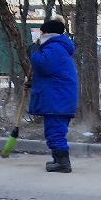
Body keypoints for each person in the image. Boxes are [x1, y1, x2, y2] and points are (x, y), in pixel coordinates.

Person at [28, 17, 78, 174]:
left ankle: (63, 163)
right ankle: (58, 160)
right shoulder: (58, 47)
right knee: (55, 130)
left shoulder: (54, 47)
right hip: (59, 97)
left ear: (46, 33)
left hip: (57, 99)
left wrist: (33, 52)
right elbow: (51, 74)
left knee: (55, 131)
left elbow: (43, 65)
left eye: (41, 32)